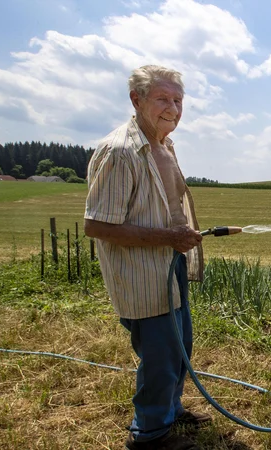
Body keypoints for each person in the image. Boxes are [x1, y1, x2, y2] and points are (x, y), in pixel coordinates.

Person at [84, 65, 210, 450]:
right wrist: (168, 237)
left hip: (170, 273)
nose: (172, 108)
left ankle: (169, 410)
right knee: (160, 358)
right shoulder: (121, 151)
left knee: (179, 348)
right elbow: (97, 226)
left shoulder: (163, 145)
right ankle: (150, 436)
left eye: (178, 100)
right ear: (136, 100)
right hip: (143, 277)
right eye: (162, 98)